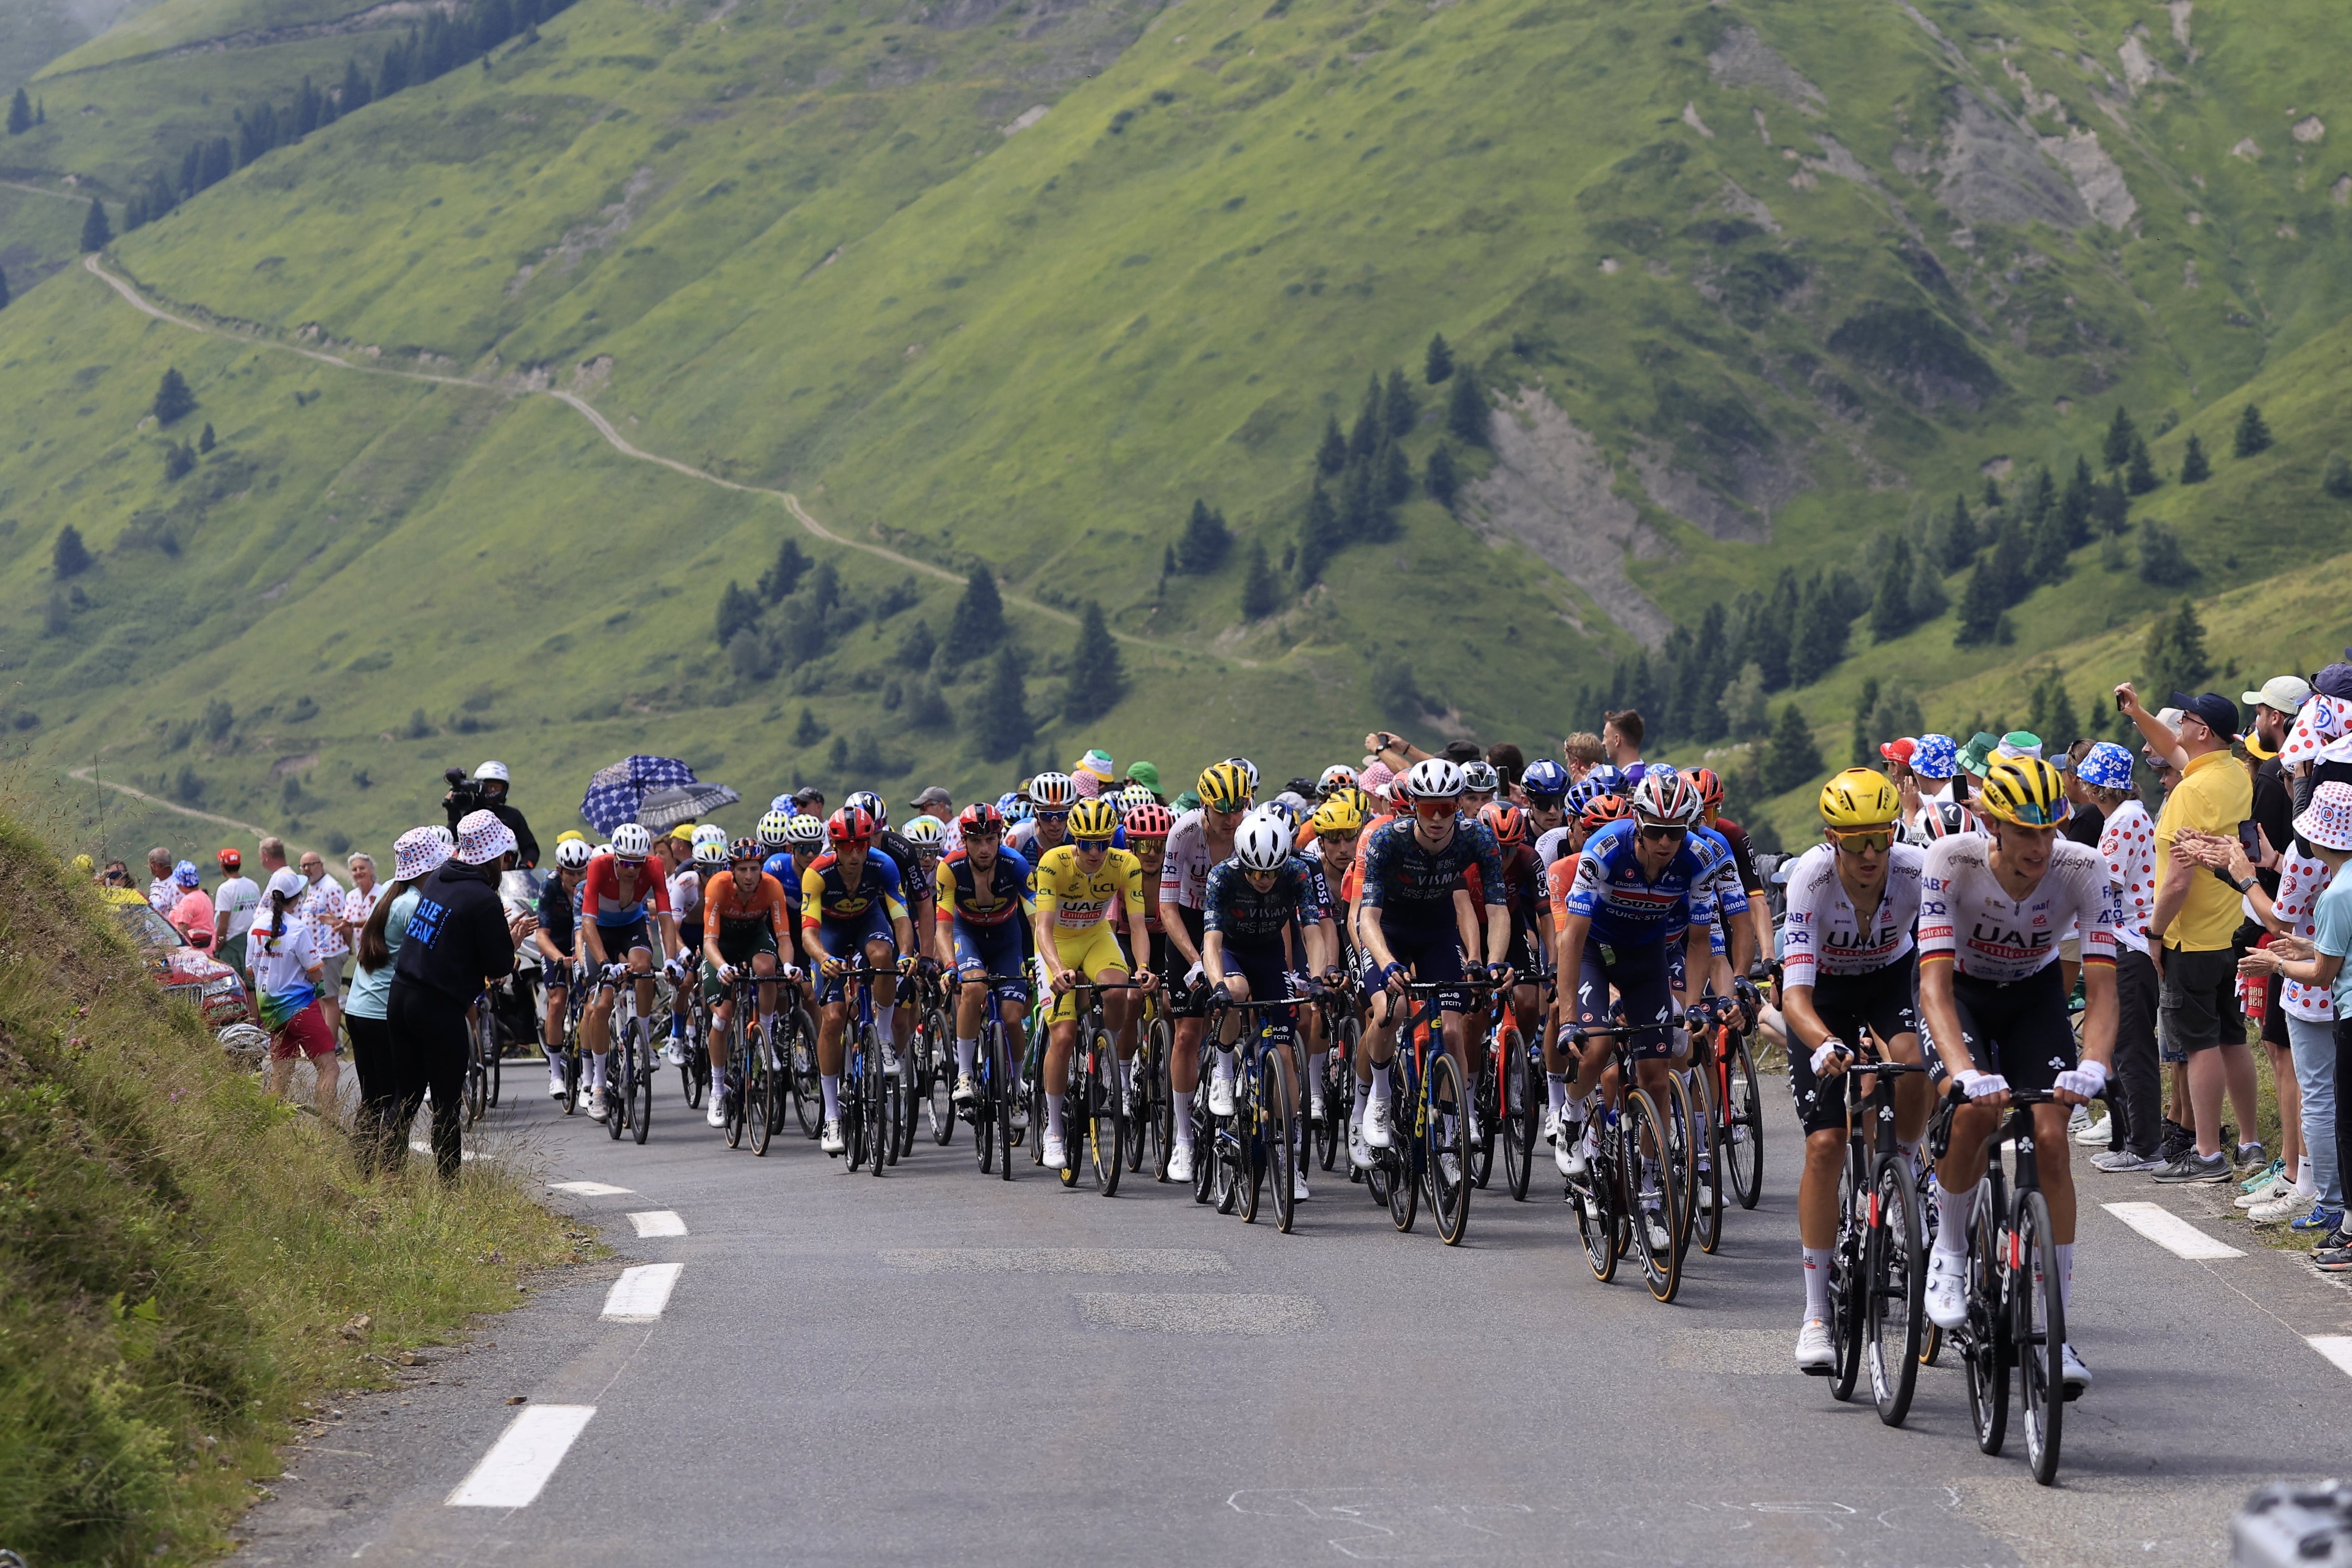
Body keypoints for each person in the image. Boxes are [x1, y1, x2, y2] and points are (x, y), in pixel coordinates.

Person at [1918, 756, 2116, 1397]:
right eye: (2025, 831)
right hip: (1962, 994)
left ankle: (2054, 1332)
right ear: (1992, 825)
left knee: (2052, 1137)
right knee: (1974, 1110)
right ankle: (1949, 1253)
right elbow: (1932, 986)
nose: (2040, 845)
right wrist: (1962, 1071)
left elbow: (2103, 987)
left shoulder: (2084, 867)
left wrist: (2094, 1062)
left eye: (2049, 829)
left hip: (2033, 996)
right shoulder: (1951, 859)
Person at [1776, 770, 1931, 1372]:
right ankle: (1815, 1313)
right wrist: (1821, 1043)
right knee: (1824, 1144)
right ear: (1831, 838)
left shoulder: (1915, 870)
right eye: (1855, 840)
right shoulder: (1810, 879)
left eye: (1881, 837)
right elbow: (1794, 995)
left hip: (1890, 977)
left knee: (1914, 1061)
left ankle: (1904, 1173)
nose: (1870, 853)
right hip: (1824, 993)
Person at [2129, 687, 2264, 1182]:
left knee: (2200, 1045)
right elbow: (2172, 747)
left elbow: (2177, 881)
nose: (2178, 726)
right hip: (2231, 928)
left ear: (2202, 731)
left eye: (2184, 719)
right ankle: (2249, 1142)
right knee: (2232, 1038)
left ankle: (2206, 1152)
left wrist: (2154, 932)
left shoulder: (2188, 792)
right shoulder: (2234, 772)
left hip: (2191, 937)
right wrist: (2137, 713)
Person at [2242, 782, 2352, 1268]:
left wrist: (2277, 963)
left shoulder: (2337, 893)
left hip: (2345, 1010)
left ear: (2320, 838)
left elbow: (2324, 973)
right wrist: (2308, 947)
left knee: (2332, 1112)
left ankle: (2337, 1211)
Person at [389, 811, 521, 1181]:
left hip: (401, 996)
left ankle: (387, 1179)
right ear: (493, 857)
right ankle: (449, 1189)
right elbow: (499, 966)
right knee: (446, 1105)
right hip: (438, 1006)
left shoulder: (438, 877)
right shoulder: (483, 898)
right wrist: (510, 941)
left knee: (405, 1098)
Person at [1032, 796, 1155, 1170]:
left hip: (1096, 937)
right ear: (1075, 839)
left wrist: (1143, 967)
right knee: (1064, 1036)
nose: (1095, 852)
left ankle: (1109, 1062)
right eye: (1087, 843)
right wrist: (1056, 969)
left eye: (1103, 843)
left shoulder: (1126, 864)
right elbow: (1042, 927)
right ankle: (1054, 1131)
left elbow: (1137, 926)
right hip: (1058, 944)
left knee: (1119, 991)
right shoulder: (1053, 863)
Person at [2074, 743, 2168, 1174]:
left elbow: (2104, 882)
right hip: (2127, 942)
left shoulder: (2124, 820)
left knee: (2132, 1048)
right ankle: (2134, 1139)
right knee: (2126, 1045)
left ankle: (2145, 1146)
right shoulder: (2128, 815)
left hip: (2129, 944)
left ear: (2098, 788)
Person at [800, 804, 914, 1155]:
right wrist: (824, 958)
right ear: (834, 846)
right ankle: (832, 1115)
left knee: (883, 957)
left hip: (868, 922)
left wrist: (907, 954)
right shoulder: (817, 873)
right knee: (834, 1019)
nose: (855, 854)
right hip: (830, 934)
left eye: (861, 845)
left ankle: (883, 1040)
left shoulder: (883, 864)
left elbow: (901, 916)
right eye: (847, 847)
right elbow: (808, 933)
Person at [347, 829, 449, 1173]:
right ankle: (392, 1174)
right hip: (383, 1012)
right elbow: (433, 956)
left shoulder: (390, 891)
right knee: (399, 1099)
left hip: (359, 1007)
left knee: (372, 1099)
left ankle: (363, 1172)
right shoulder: (416, 905)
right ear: (428, 867)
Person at [938, 802, 1035, 1114]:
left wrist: (1039, 961)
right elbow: (943, 928)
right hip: (968, 934)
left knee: (1012, 1017)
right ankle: (965, 1074)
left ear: (999, 838)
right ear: (964, 841)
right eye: (976, 841)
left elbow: (1036, 921)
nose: (984, 848)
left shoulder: (1016, 864)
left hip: (1007, 939)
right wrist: (950, 966)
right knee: (974, 986)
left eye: (991, 840)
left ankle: (1017, 1085)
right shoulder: (950, 868)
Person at [702, 838, 798, 1129]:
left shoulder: (772, 886)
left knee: (767, 970)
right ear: (732, 870)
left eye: (754, 869)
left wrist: (788, 966)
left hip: (754, 937)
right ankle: (717, 1090)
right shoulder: (718, 886)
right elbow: (709, 942)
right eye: (742, 869)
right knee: (722, 1018)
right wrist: (721, 967)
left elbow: (783, 938)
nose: (749, 876)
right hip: (723, 945)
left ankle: (763, 1041)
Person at [250, 867, 342, 1120]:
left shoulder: (255, 927)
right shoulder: (298, 929)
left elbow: (250, 971)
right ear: (298, 898)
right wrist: (318, 991)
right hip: (301, 1008)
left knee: (281, 1076)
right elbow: (315, 973)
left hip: (270, 1010)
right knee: (329, 1069)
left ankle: (266, 1127)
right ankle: (329, 1130)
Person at [537, 837, 593, 1100]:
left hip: (583, 944)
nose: (577, 878)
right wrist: (560, 959)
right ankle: (556, 1075)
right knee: (557, 1001)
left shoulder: (591, 886)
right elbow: (541, 936)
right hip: (557, 945)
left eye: (582, 872)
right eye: (571, 873)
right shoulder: (549, 886)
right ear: (560, 871)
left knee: (589, 1004)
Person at [444, 760, 540, 868]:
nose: (493, 791)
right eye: (488, 786)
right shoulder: (468, 814)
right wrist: (453, 814)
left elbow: (530, 848)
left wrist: (525, 867)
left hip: (507, 875)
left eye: (497, 787)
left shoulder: (513, 815)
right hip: (475, 873)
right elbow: (453, 844)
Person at [296, 848, 350, 1037]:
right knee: (320, 997)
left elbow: (343, 922)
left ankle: (331, 1043)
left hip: (330, 952)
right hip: (316, 955)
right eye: (303, 866)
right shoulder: (312, 887)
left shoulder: (331, 888)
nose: (306, 869)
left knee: (329, 999)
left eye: (310, 865)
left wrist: (349, 946)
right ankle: (324, 1040)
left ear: (321, 865)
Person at [214, 847, 259, 978]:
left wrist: (218, 948)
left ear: (222, 866)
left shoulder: (225, 889)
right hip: (252, 941)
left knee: (234, 984)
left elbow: (223, 926)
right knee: (253, 982)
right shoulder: (253, 885)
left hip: (231, 946)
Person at [167, 861, 215, 949]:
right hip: (210, 948)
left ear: (181, 884)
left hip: (196, 952)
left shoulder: (188, 901)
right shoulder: (205, 897)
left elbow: (181, 932)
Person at [1601, 710, 1647, 781]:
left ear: (1617, 740)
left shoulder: (1629, 780)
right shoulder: (1647, 773)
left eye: (1606, 737)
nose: (1603, 743)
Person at [145, 847, 177, 915]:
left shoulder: (176, 886)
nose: (149, 866)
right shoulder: (155, 882)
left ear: (157, 866)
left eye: (150, 863)